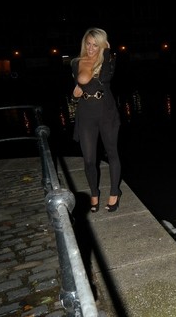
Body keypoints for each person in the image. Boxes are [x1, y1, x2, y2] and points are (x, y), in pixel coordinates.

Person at [70, 27, 122, 213]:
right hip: (86, 113)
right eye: (88, 43)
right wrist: (76, 94)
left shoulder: (107, 60)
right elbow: (78, 88)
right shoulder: (76, 63)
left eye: (95, 45)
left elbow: (106, 77)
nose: (91, 48)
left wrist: (106, 52)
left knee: (111, 152)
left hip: (106, 112)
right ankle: (94, 193)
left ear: (102, 45)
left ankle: (115, 192)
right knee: (89, 159)